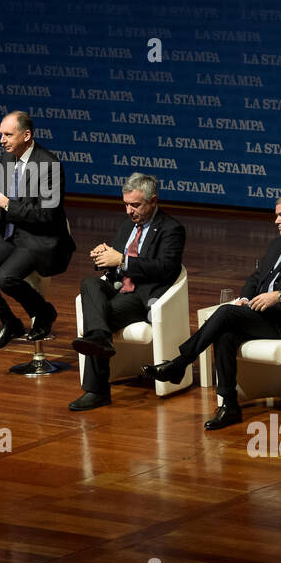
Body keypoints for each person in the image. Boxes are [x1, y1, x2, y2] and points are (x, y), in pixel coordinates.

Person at [143, 191, 281, 430]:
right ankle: (229, 405)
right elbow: (256, 277)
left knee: (223, 314)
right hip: (259, 315)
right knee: (225, 333)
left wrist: (280, 296)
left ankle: (180, 363)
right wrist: (243, 298)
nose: (276, 221)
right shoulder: (277, 245)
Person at [68, 173, 185, 411]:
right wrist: (102, 257)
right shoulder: (126, 227)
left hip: (140, 296)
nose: (129, 211)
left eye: (135, 205)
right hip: (117, 287)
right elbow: (114, 265)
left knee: (98, 319)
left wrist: (122, 260)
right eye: (126, 205)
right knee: (90, 283)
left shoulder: (171, 229)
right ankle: (99, 338)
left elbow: (164, 269)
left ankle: (97, 390)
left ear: (153, 201)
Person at [0, 111, 76, 351]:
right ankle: (9, 321)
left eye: (7, 134)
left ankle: (44, 313)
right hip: (12, 233)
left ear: (26, 135)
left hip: (40, 237)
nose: (1, 140)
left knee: (5, 278)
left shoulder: (49, 165)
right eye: (1, 134)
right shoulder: (8, 158)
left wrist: (6, 204)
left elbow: (46, 215)